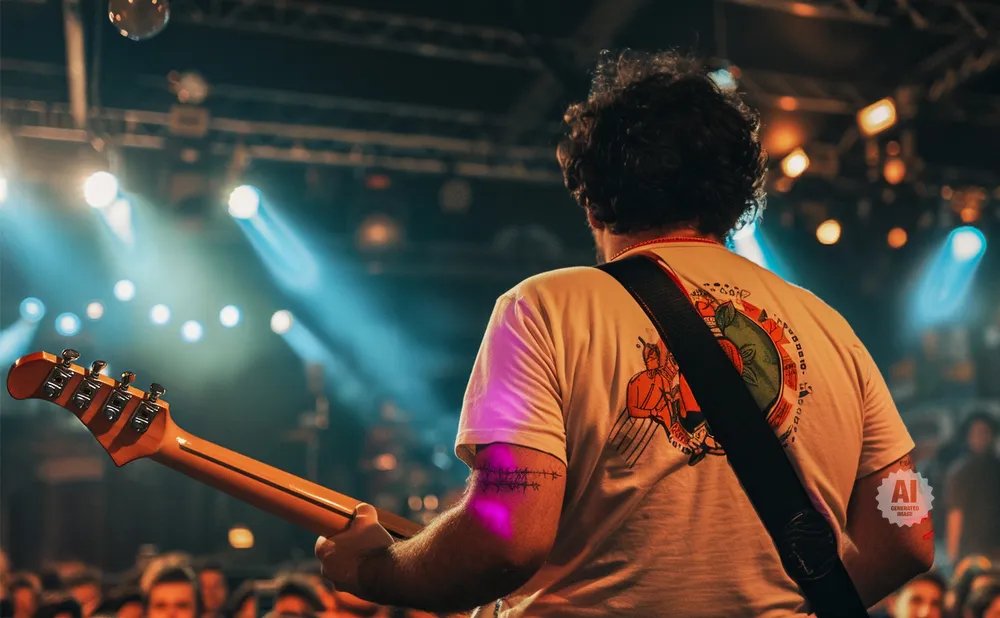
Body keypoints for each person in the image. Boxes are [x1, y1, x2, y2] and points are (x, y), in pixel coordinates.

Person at [313, 49, 933, 616]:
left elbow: (507, 537)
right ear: (737, 198)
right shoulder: (831, 328)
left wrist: (374, 569)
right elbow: (908, 530)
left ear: (591, 198)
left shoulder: (545, 308)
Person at [946, 412, 1000, 563]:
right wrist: (953, 554)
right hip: (972, 553)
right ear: (968, 437)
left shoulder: (997, 468)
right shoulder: (960, 473)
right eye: (976, 433)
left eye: (985, 432)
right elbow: (955, 514)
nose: (980, 437)